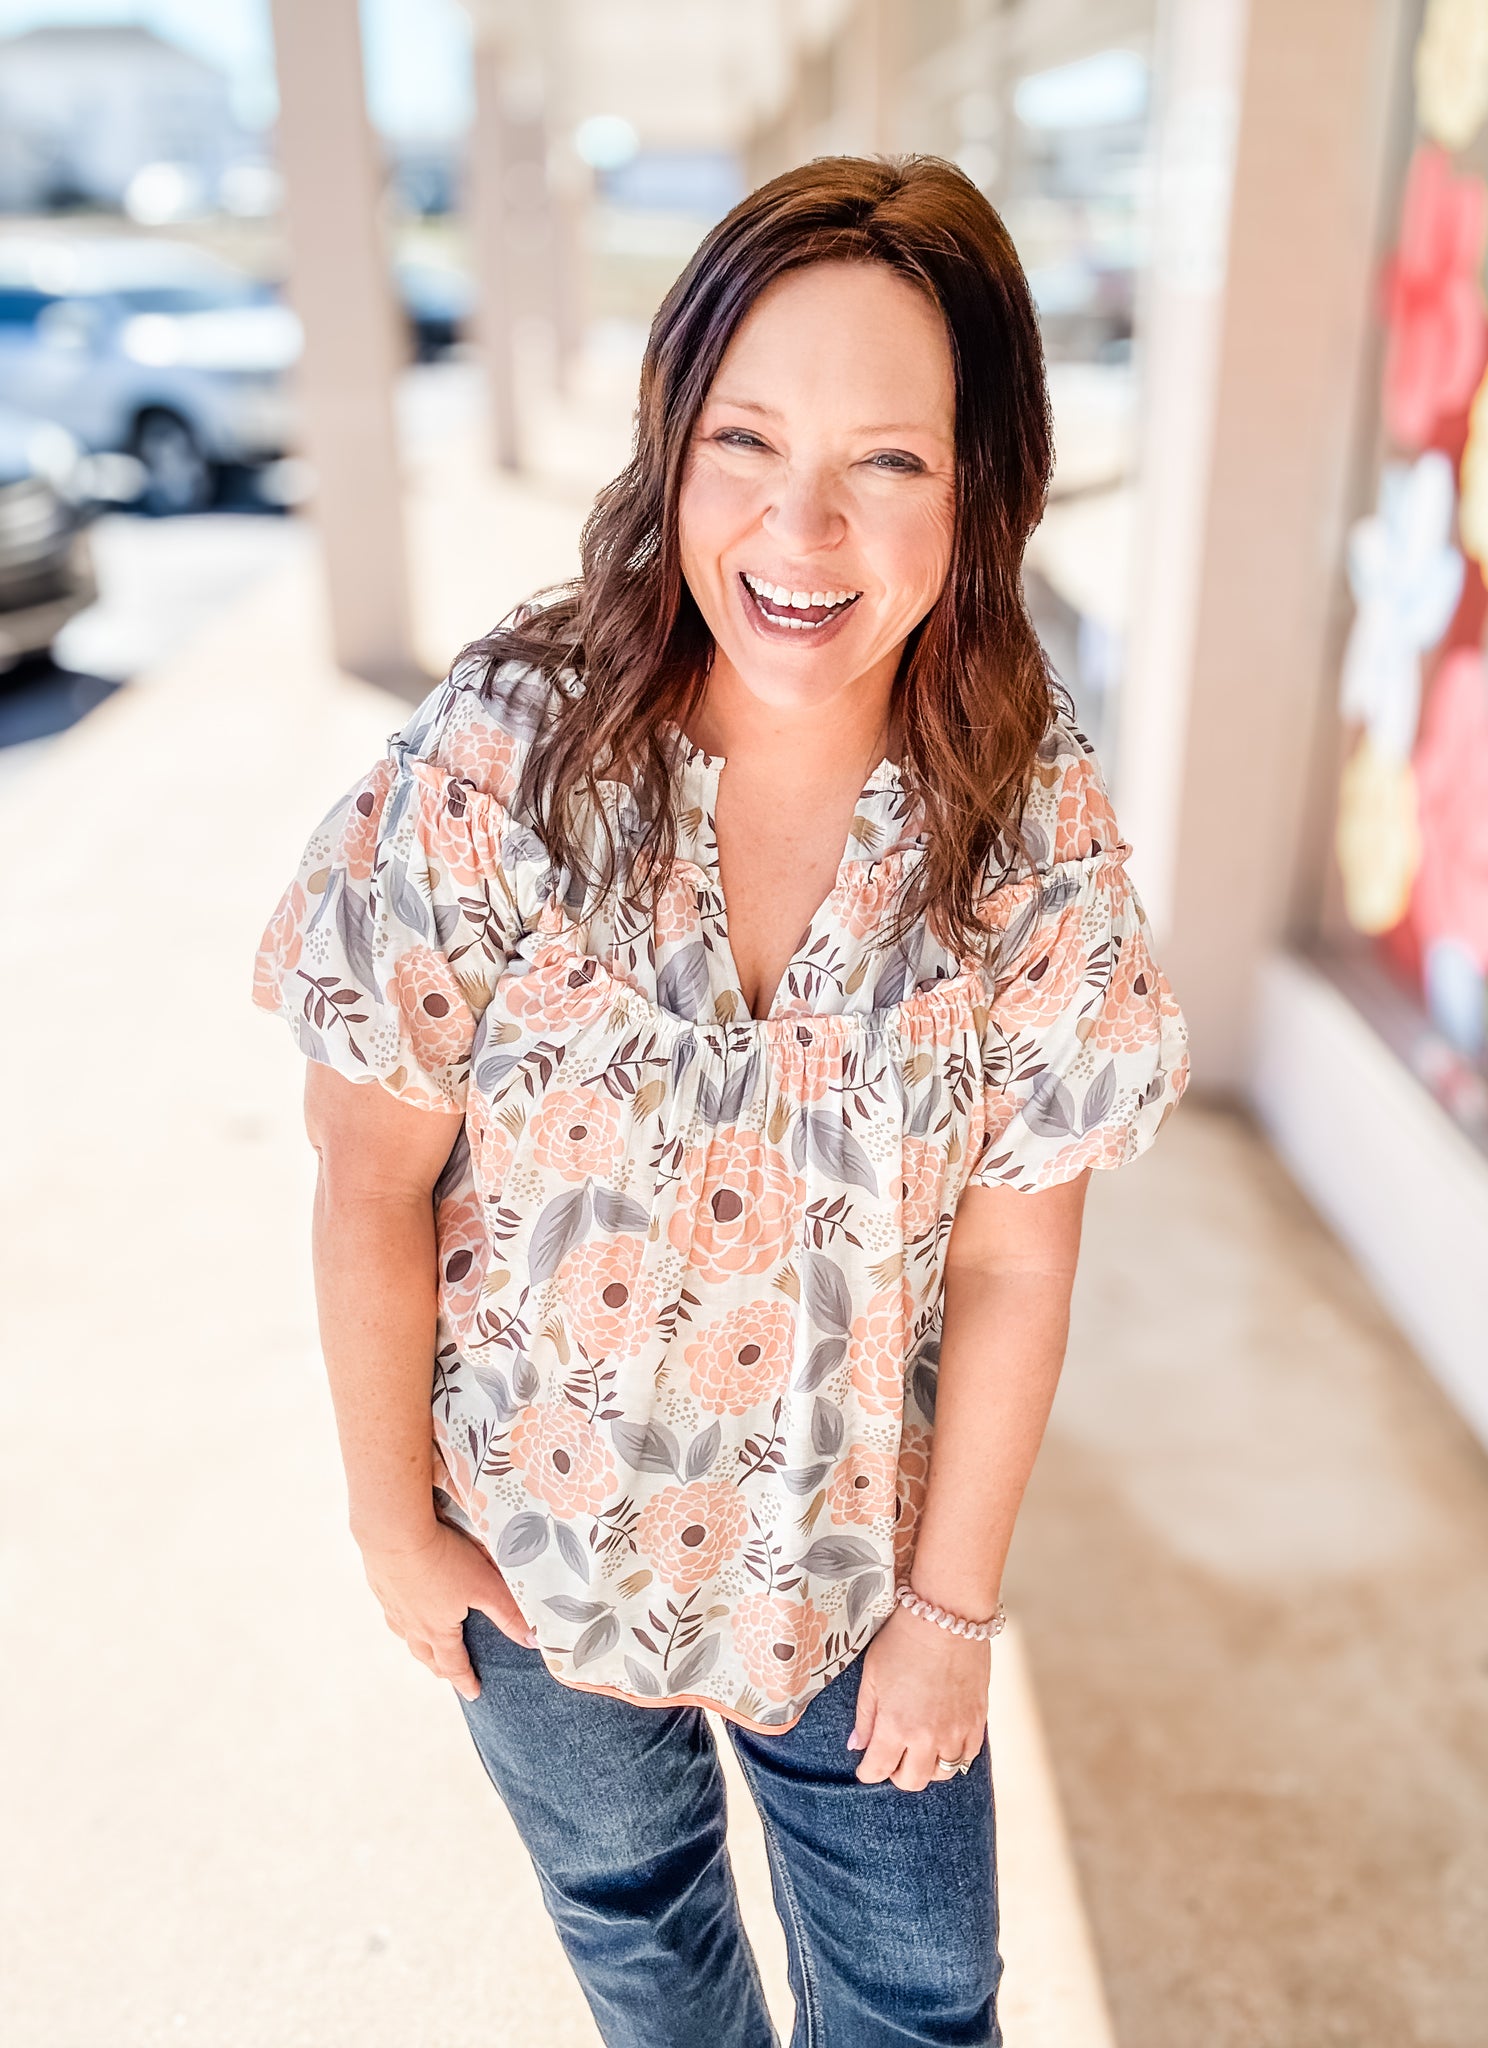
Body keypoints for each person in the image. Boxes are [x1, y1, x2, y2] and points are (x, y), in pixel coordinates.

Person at [253, 154, 1189, 2048]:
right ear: (672, 441)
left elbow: (1015, 1266)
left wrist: (953, 1613)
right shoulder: (512, 753)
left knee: (924, 2003)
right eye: (747, 437)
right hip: (529, 1547)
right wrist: (389, 1531)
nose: (803, 526)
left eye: (892, 461)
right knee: (642, 1934)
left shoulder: (1033, 816)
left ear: (983, 482)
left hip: (854, 1568)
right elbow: (367, 1172)